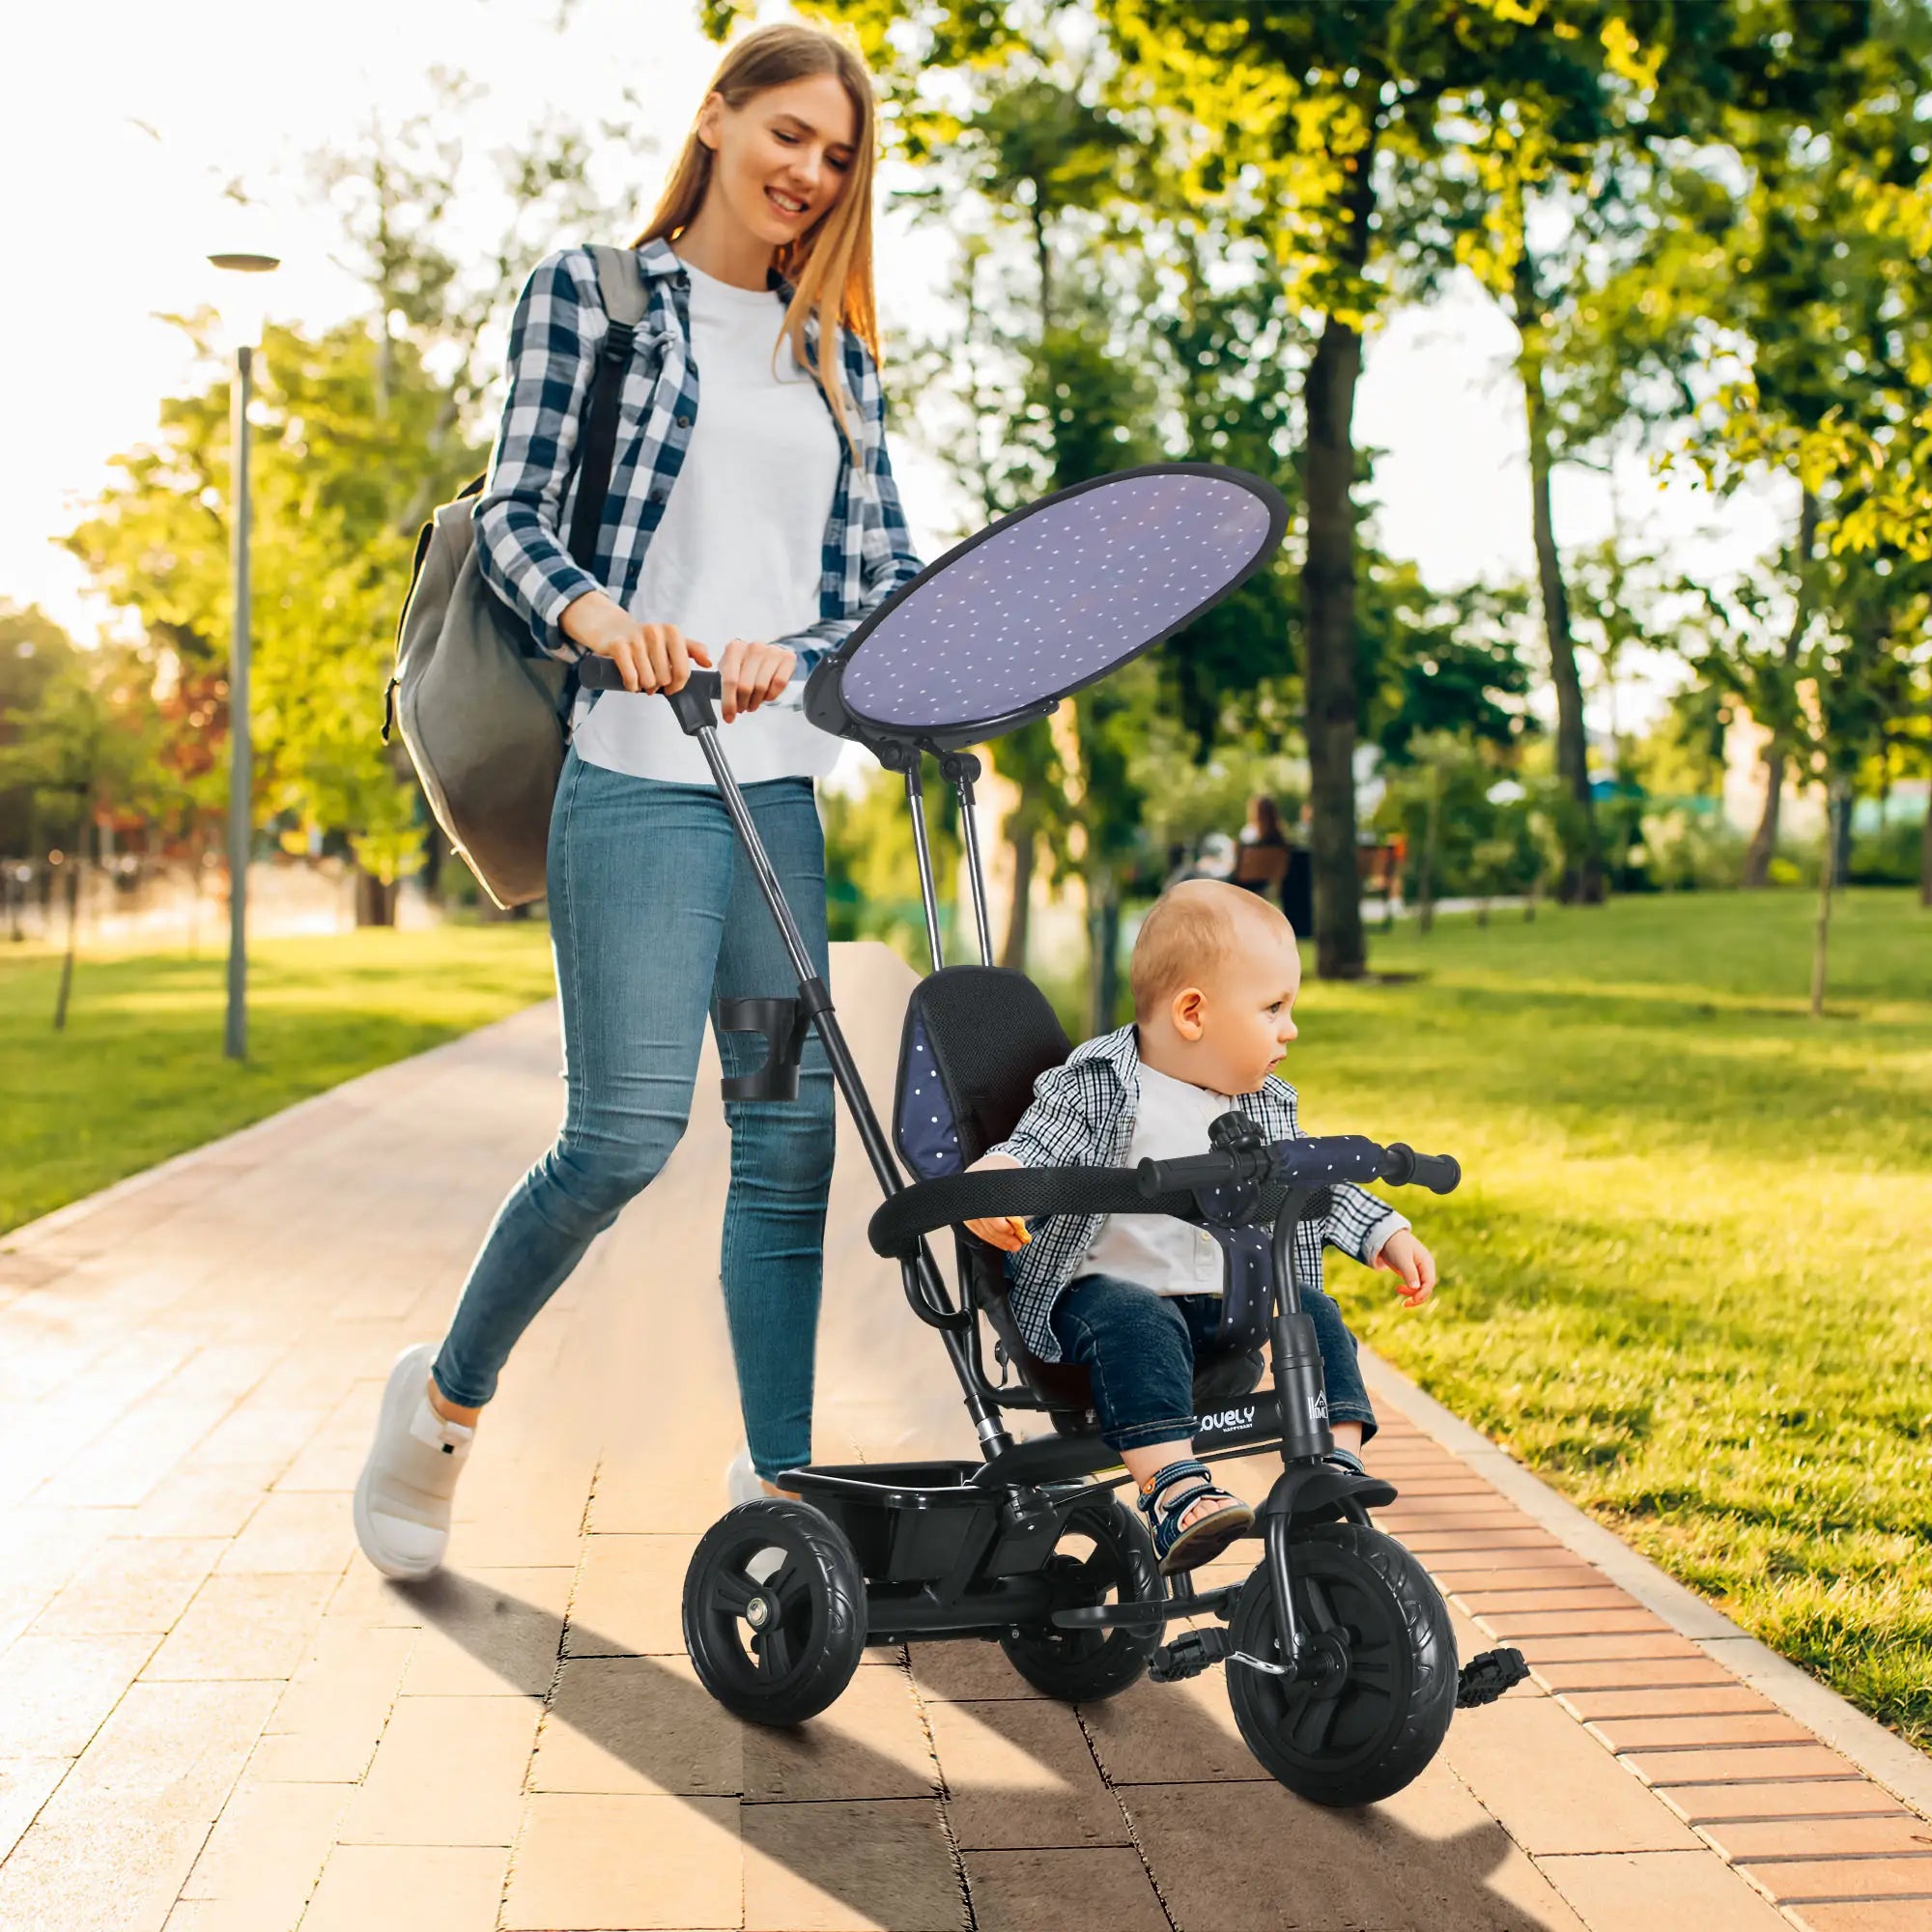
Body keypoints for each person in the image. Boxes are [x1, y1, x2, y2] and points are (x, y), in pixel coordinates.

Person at [354, 20, 922, 1581]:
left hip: (775, 813)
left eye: (837, 155)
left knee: (787, 1138)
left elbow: (881, 588)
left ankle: (780, 1482)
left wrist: (788, 658)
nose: (809, 172)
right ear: (718, 117)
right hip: (635, 783)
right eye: (789, 133)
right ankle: (441, 1410)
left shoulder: (837, 360)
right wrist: (607, 622)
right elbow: (518, 512)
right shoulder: (594, 298)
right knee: (616, 1138)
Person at [960, 880, 1436, 1574]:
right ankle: (1174, 1489)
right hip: (1106, 1303)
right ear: (1192, 1013)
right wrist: (993, 1182)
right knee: (1133, 1315)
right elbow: (1036, 1149)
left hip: (1230, 1310)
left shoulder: (1266, 1103)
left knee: (1313, 1312)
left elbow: (1314, 1184)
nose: (1291, 1029)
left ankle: (1335, 1458)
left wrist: (1384, 1234)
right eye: (1274, 1008)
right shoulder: (1100, 1084)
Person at [1232, 794, 1291, 900]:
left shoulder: (1250, 835)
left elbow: (1237, 869)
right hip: (1264, 886)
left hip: (1241, 886)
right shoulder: (1280, 842)